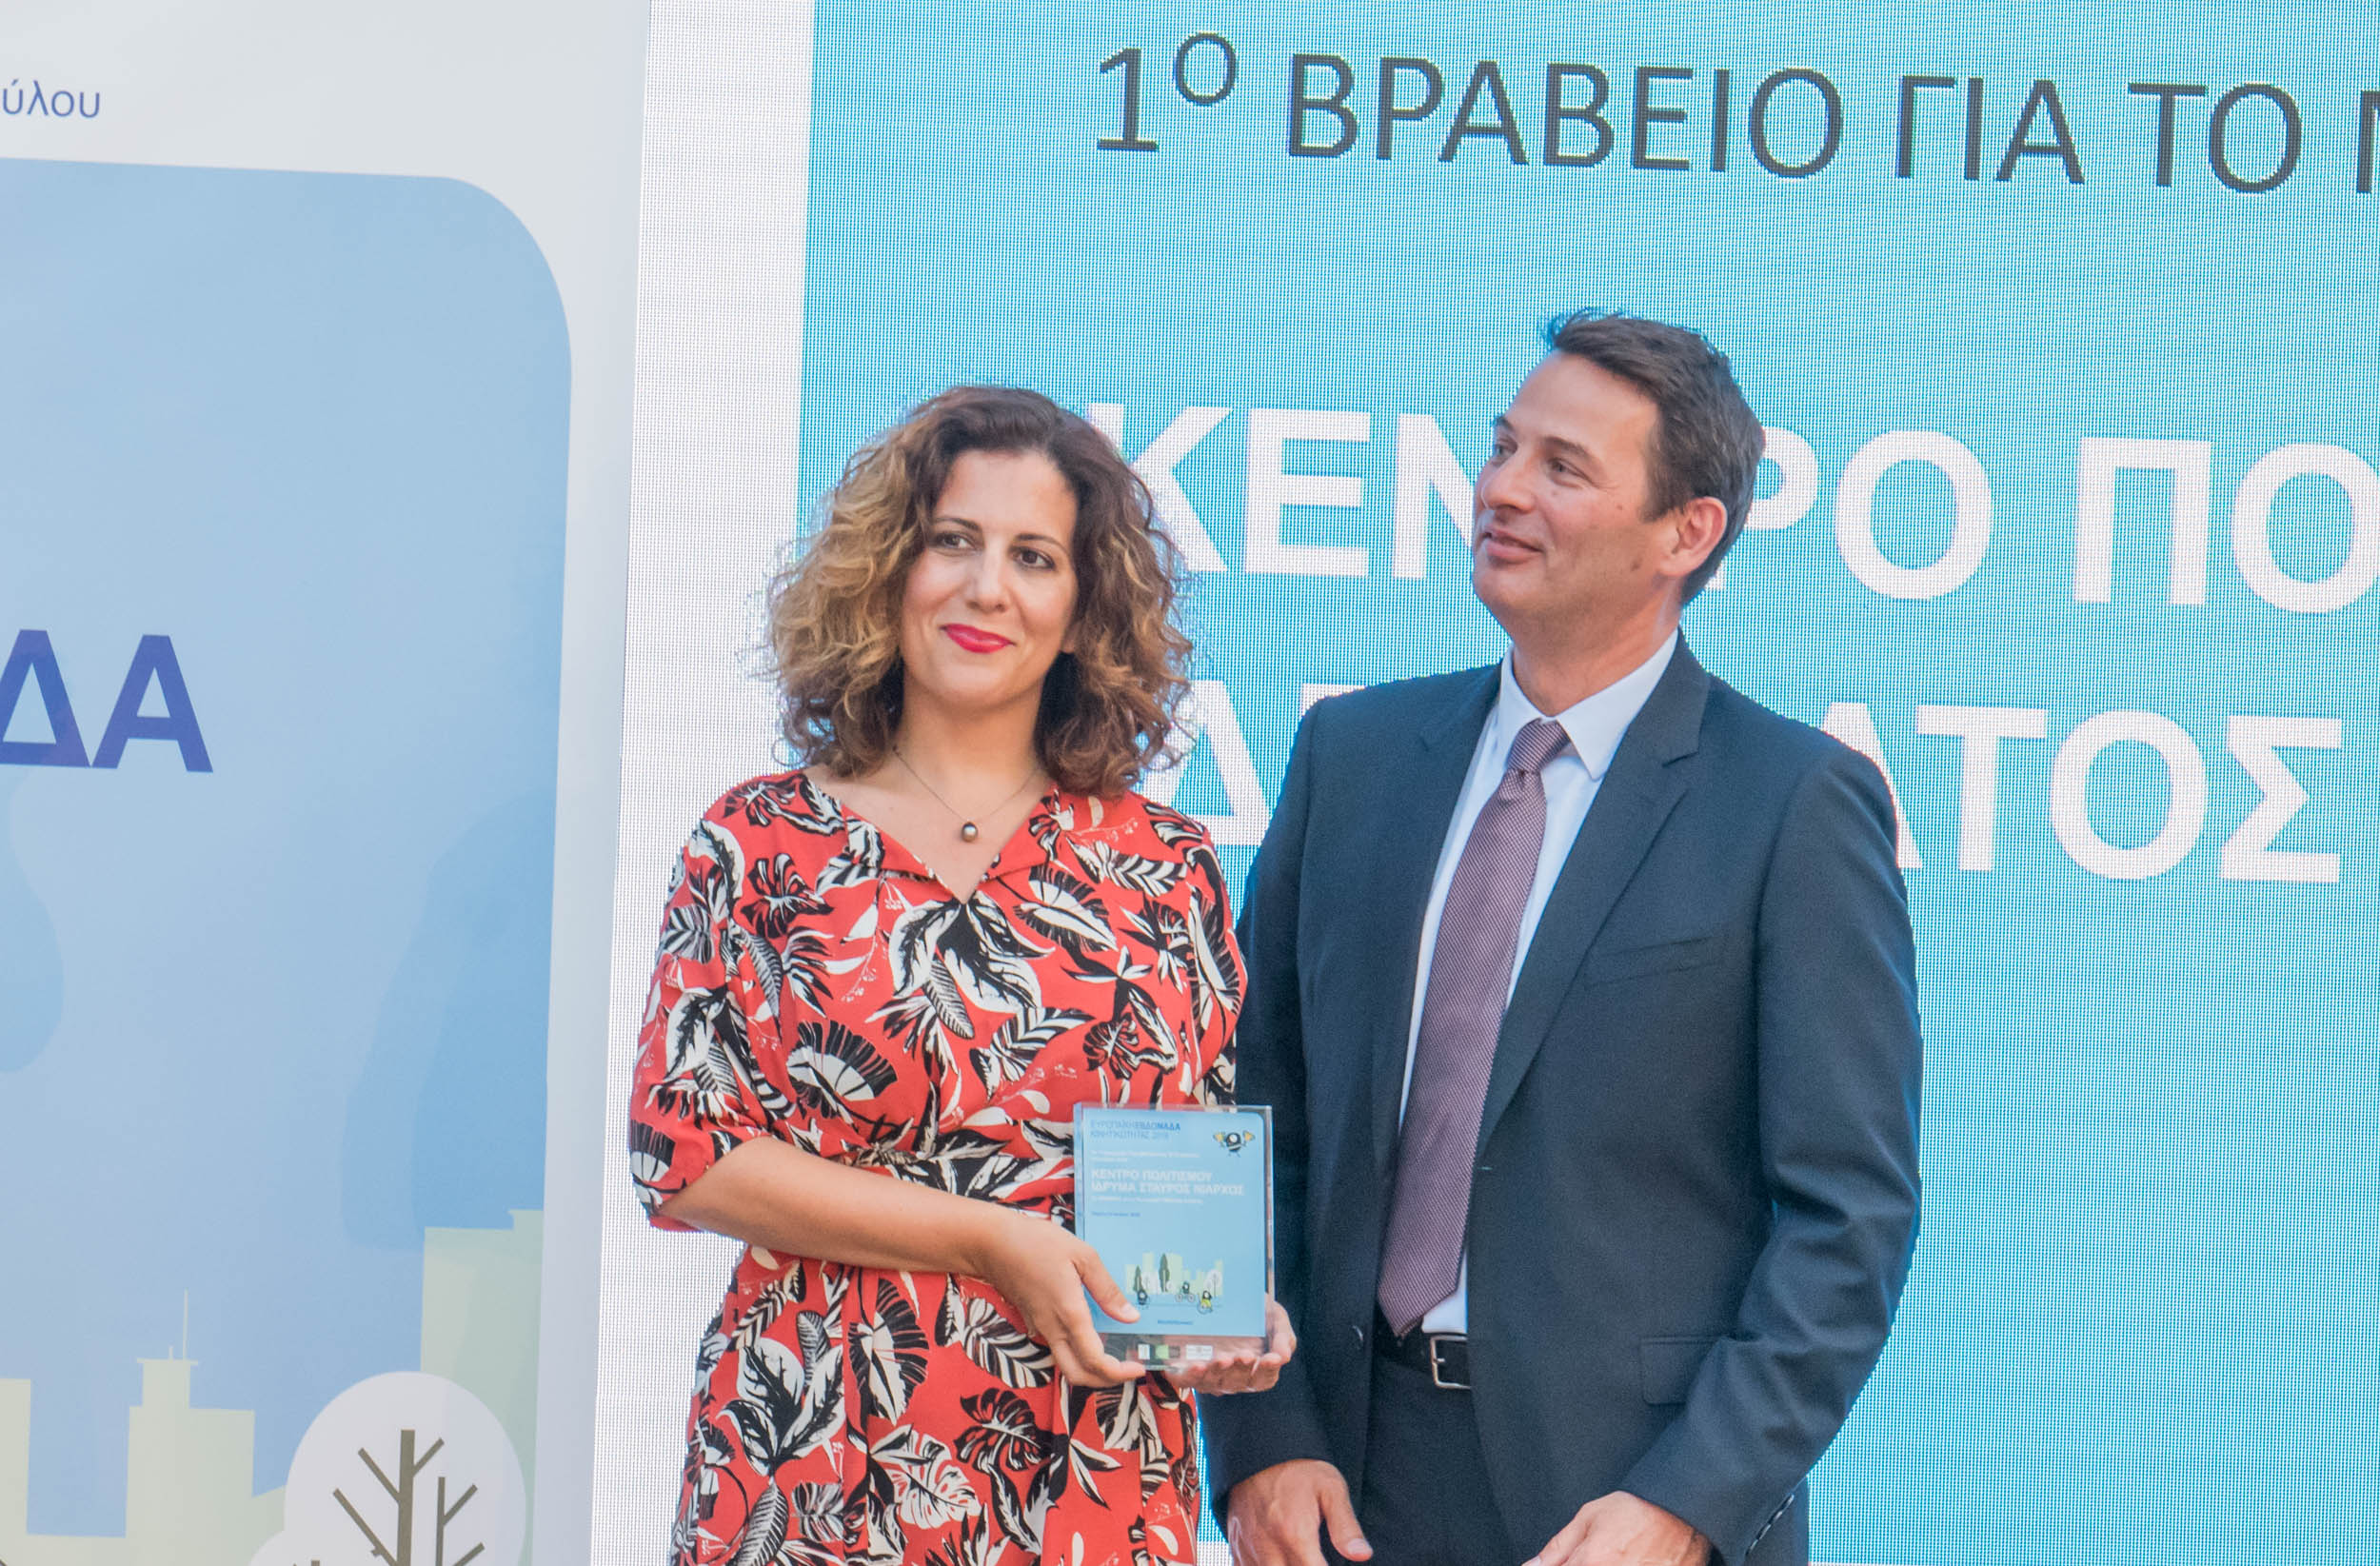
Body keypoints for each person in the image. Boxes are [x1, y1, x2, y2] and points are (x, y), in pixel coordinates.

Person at [1203, 313, 1922, 1566]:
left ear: (1686, 532)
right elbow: (1254, 1119)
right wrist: (1262, 1435)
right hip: (1347, 1493)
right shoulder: (1353, 758)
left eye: (1563, 467)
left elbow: (1845, 1217)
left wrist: (1690, 1502)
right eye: (1501, 448)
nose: (1501, 490)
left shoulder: (1792, 804)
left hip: (1625, 1507)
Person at [628, 386, 1293, 1566]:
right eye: (953, 541)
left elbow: (1185, 1179)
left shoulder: (1165, 866)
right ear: (890, 570)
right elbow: (684, 1154)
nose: (988, 588)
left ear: (1082, 610)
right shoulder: (758, 841)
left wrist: (1224, 1324)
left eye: (1034, 557)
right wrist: (988, 1240)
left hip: (1086, 1466)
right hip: (813, 1445)